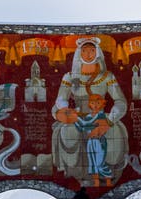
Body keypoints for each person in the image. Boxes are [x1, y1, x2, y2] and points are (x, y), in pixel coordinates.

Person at [52, 38, 129, 187]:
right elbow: (61, 99)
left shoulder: (107, 77)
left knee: (114, 132)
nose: (88, 54)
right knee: (68, 131)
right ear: (79, 53)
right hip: (78, 115)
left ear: (97, 53)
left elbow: (121, 102)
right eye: (85, 51)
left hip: (100, 116)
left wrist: (109, 120)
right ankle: (78, 173)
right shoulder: (69, 77)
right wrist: (66, 111)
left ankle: (105, 171)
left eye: (92, 50)